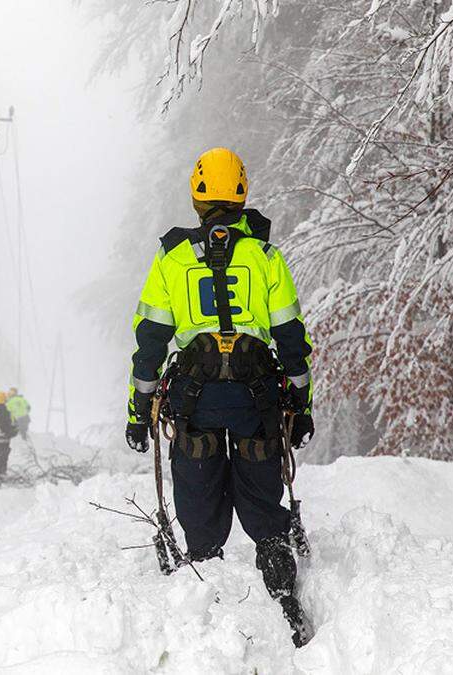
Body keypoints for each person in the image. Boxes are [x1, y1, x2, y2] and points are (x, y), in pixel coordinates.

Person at [125, 147, 315, 647]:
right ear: (242, 192)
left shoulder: (172, 259)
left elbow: (150, 343)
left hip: (194, 399)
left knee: (199, 497)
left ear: (197, 195)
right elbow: (291, 338)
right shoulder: (266, 257)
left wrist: (139, 411)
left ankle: (205, 604)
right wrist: (302, 400)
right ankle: (285, 598)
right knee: (261, 498)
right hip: (257, 400)